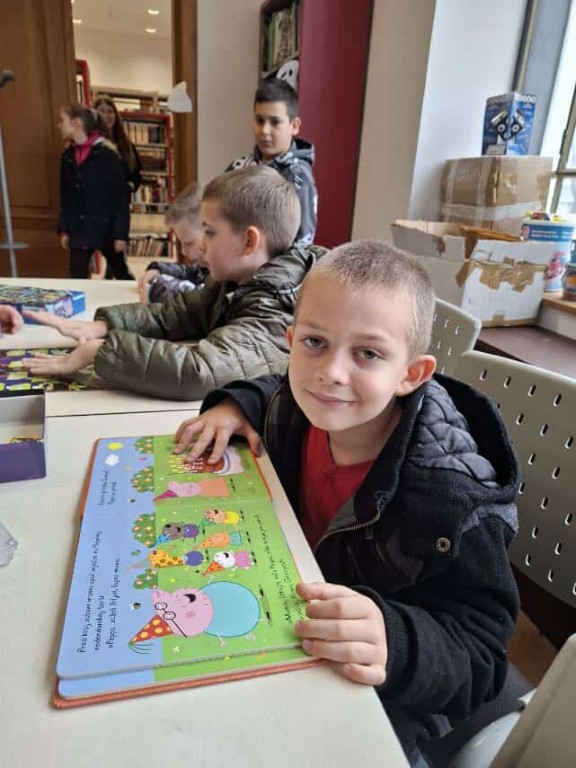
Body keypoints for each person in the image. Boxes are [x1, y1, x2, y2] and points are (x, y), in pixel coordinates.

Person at [173, 241, 520, 766]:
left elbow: (483, 655)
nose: (330, 372)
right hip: (294, 625)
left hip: (392, 688)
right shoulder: (300, 404)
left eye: (368, 354)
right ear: (291, 342)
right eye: (315, 342)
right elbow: (275, 389)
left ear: (412, 374)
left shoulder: (450, 500)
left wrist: (397, 640)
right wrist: (233, 404)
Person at [21, 166, 325, 401]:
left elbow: (197, 373)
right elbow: (178, 313)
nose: (201, 245)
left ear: (248, 242)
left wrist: (100, 351)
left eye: (209, 232)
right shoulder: (234, 283)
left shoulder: (274, 311)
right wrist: (106, 324)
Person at [226, 79, 318, 246]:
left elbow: (302, 248)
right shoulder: (237, 168)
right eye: (260, 120)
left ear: (294, 126)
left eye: (275, 122)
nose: (265, 130)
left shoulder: (298, 179)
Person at [57, 103, 130, 280]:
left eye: (62, 121)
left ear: (76, 123)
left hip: (107, 228)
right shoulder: (67, 156)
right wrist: (64, 229)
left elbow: (119, 199)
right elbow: (66, 197)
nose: (59, 125)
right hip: (79, 228)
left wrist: (120, 235)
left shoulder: (108, 155)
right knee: (77, 277)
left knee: (121, 273)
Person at [94, 94, 141, 281]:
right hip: (97, 208)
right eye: (102, 111)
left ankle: (115, 276)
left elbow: (136, 173)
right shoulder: (92, 145)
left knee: (117, 253)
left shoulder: (126, 145)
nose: (107, 115)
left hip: (119, 207)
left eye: (110, 111)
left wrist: (130, 186)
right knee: (110, 253)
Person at [137, 182, 208, 303]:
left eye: (188, 243)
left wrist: (155, 291)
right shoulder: (207, 267)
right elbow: (194, 272)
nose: (183, 251)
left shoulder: (228, 274)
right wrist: (160, 269)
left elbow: (203, 300)